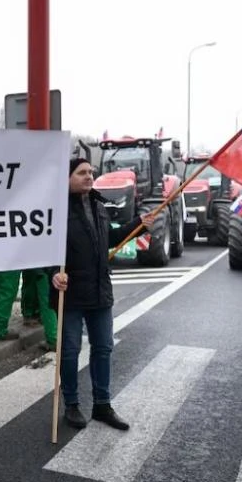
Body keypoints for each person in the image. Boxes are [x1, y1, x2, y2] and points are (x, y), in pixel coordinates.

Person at [50, 158, 155, 430]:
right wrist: (53, 273)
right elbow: (41, 247)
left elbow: (110, 238)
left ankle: (102, 405)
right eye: (82, 172)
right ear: (67, 177)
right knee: (70, 351)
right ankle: (71, 405)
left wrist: (138, 224)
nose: (89, 176)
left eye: (90, 172)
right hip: (70, 293)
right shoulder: (55, 210)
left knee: (104, 348)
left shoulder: (98, 206)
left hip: (100, 291)